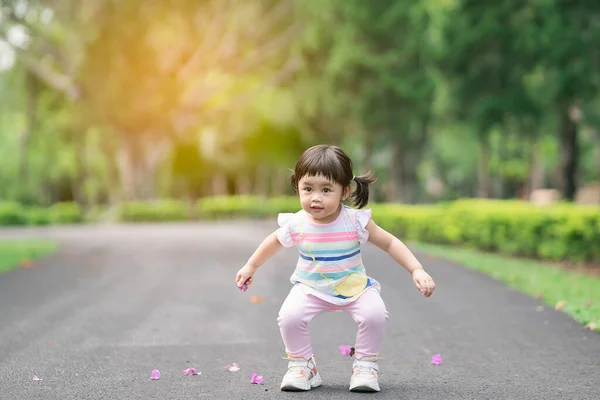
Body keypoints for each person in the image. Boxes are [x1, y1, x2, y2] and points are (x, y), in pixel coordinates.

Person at [235, 144, 436, 392]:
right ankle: (302, 366)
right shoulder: (297, 222)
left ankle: (365, 364)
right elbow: (274, 241)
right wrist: (251, 265)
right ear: (297, 186)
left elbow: (390, 242)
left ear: (345, 191)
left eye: (326, 190)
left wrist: (417, 269)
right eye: (307, 189)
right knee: (289, 317)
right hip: (309, 287)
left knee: (375, 314)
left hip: (354, 287)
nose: (315, 197)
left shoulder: (355, 221)